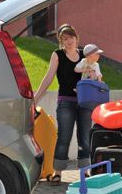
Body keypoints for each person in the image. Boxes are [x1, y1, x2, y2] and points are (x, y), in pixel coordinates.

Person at [34, 24, 93, 182]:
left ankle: (85, 170)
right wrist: (36, 97)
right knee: (64, 137)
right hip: (65, 102)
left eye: (71, 37)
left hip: (84, 103)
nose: (69, 41)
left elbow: (93, 77)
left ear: (76, 38)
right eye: (64, 39)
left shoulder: (85, 56)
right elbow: (48, 77)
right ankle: (57, 171)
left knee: (85, 137)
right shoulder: (58, 55)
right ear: (61, 41)